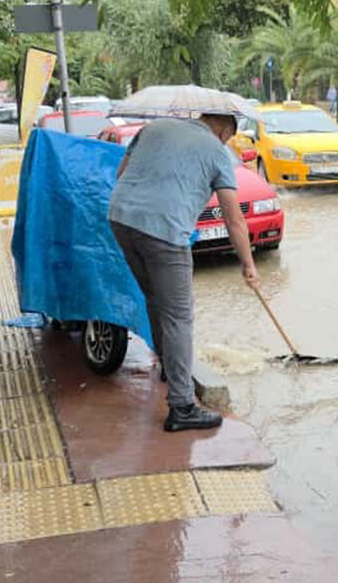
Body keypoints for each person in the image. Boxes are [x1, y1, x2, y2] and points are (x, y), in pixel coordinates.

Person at [108, 113, 259, 432]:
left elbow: (121, 174)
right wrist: (248, 264)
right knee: (179, 316)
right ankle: (182, 406)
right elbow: (234, 219)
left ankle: (168, 365)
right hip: (164, 230)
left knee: (155, 298)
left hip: (121, 218)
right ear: (224, 131)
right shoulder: (217, 151)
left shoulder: (154, 128)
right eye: (229, 138)